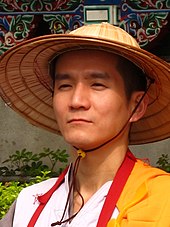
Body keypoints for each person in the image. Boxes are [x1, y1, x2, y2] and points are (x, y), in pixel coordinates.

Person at [0, 23, 170, 227]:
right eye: (65, 86)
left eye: (97, 85)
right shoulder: (28, 204)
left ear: (137, 106)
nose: (76, 100)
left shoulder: (161, 200)